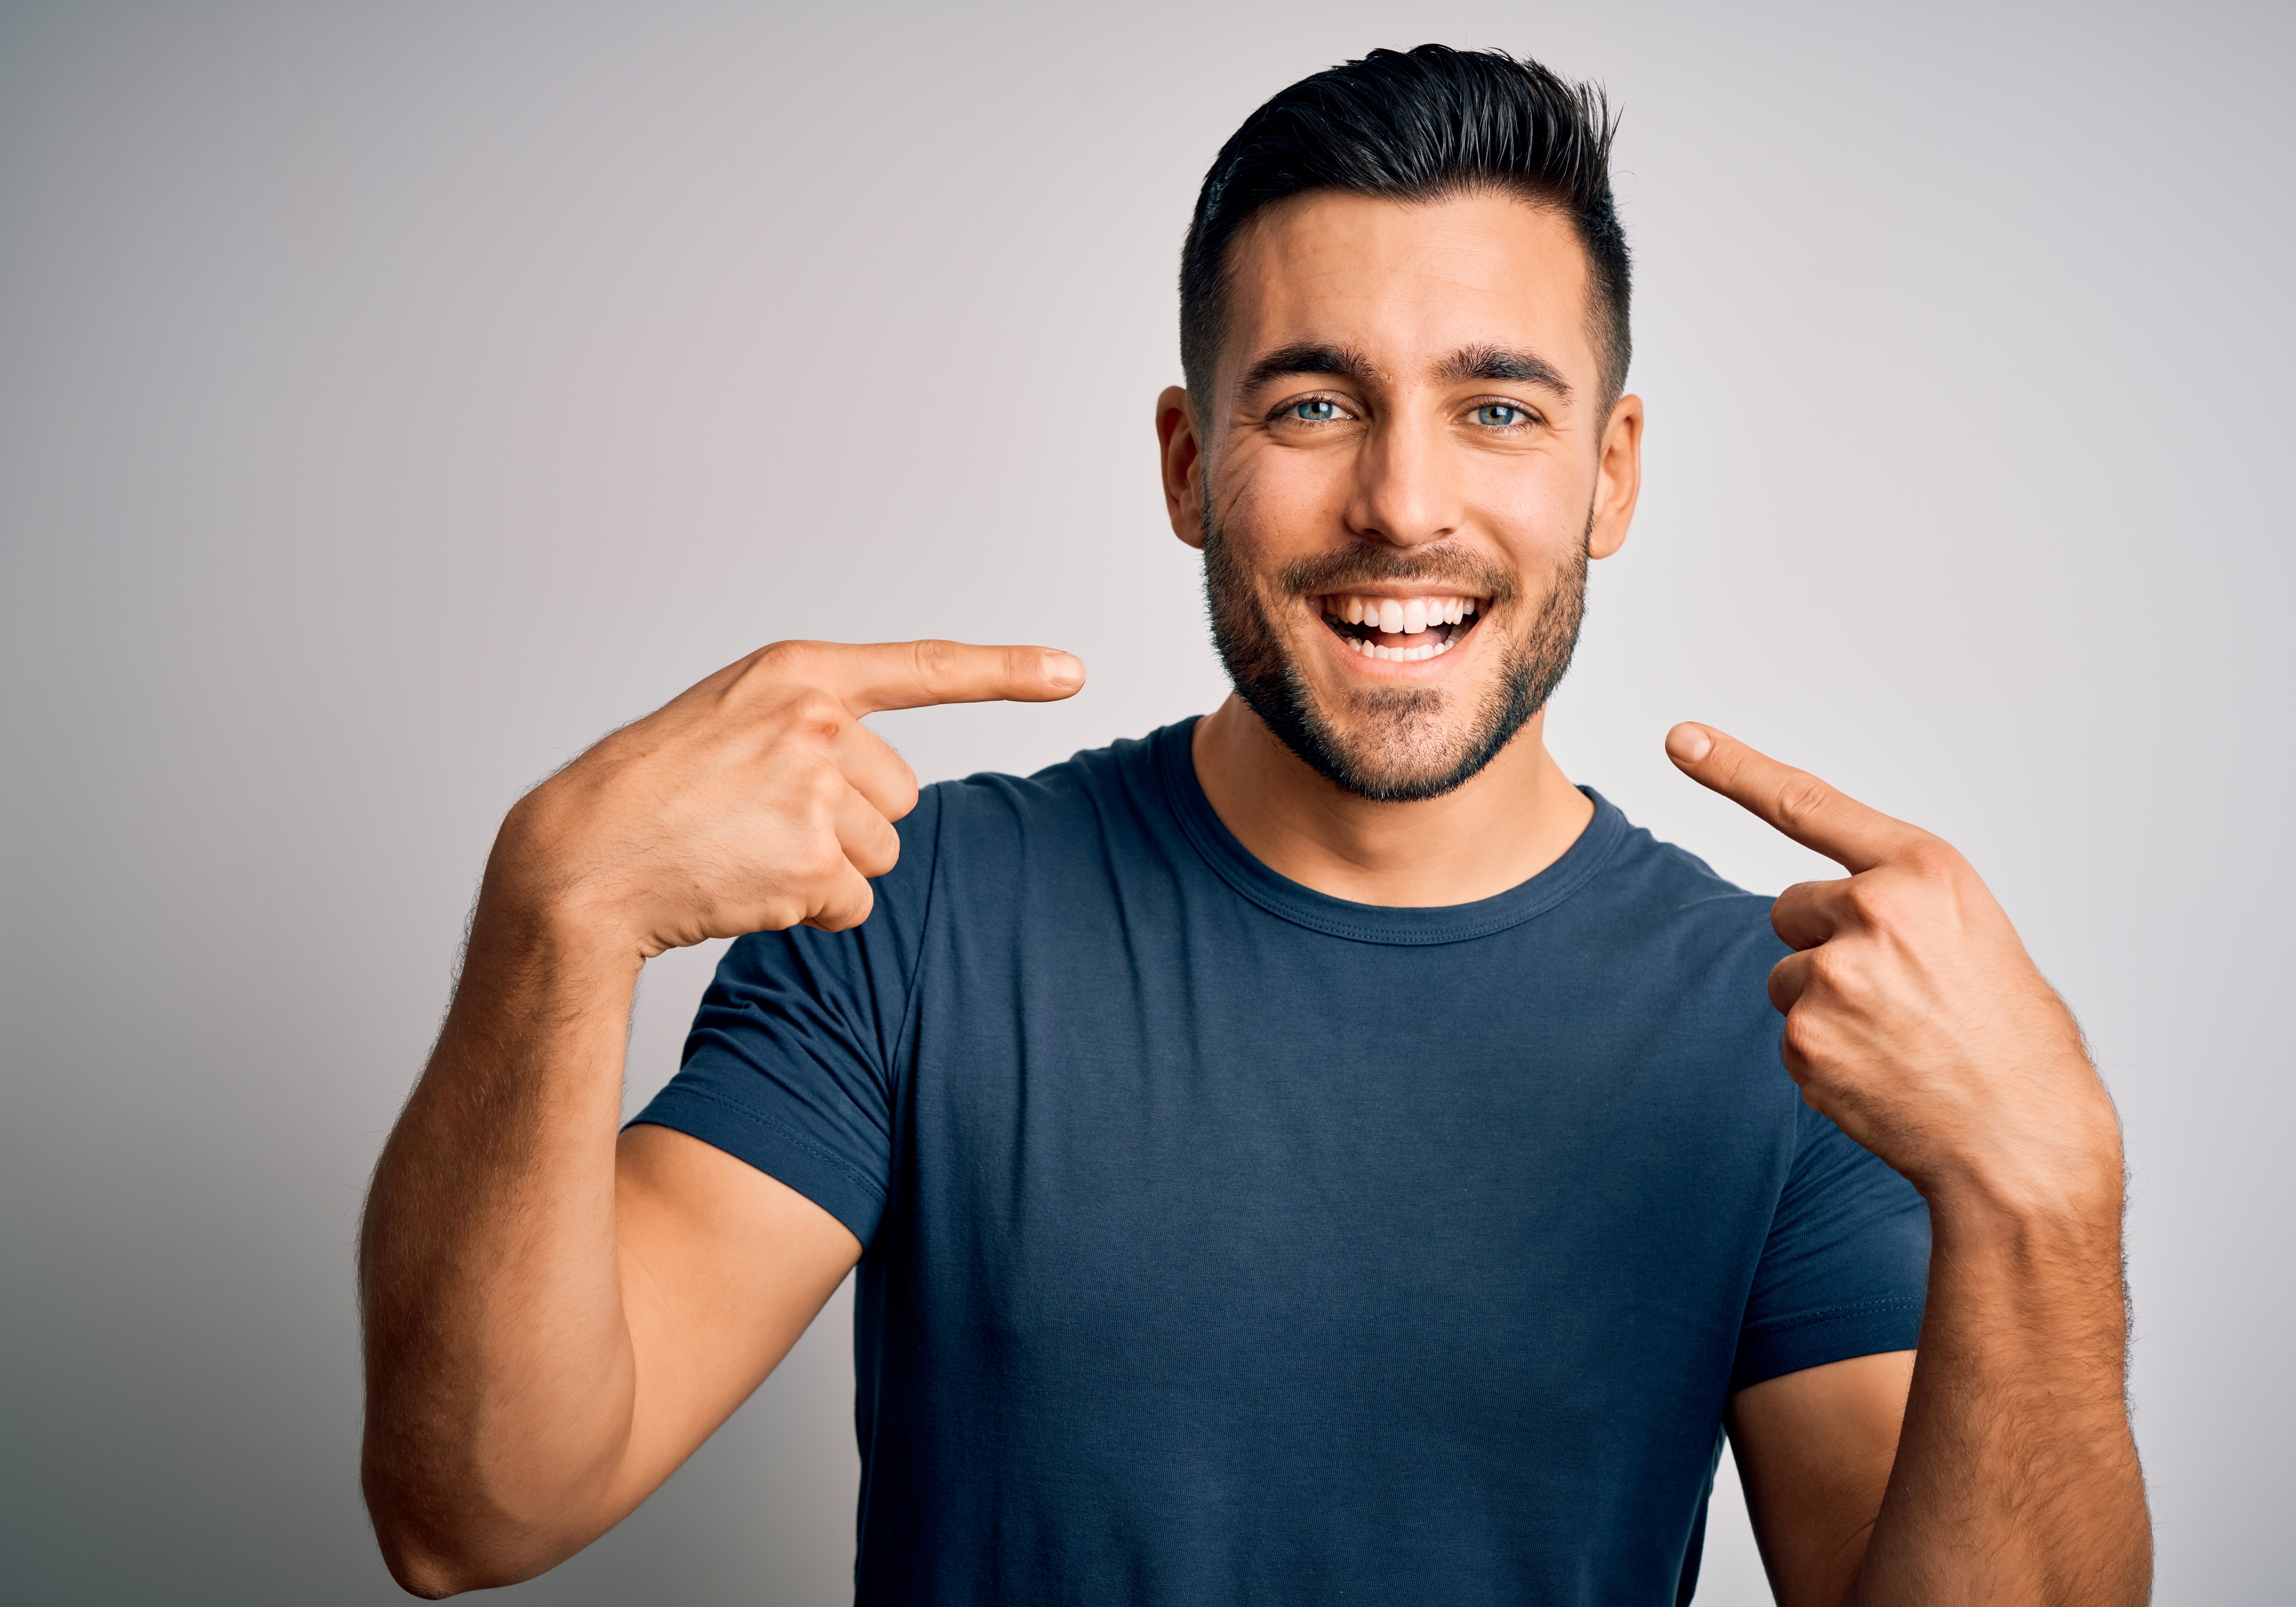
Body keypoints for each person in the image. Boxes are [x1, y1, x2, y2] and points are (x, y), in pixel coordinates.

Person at [359, 45, 2150, 1606]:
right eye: (1313, 404)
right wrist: (556, 911)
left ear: (1608, 473)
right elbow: (474, 1508)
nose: (1403, 502)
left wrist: (2046, 1197)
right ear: (1187, 465)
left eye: (1496, 408)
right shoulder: (919, 918)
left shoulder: (1789, 1030)